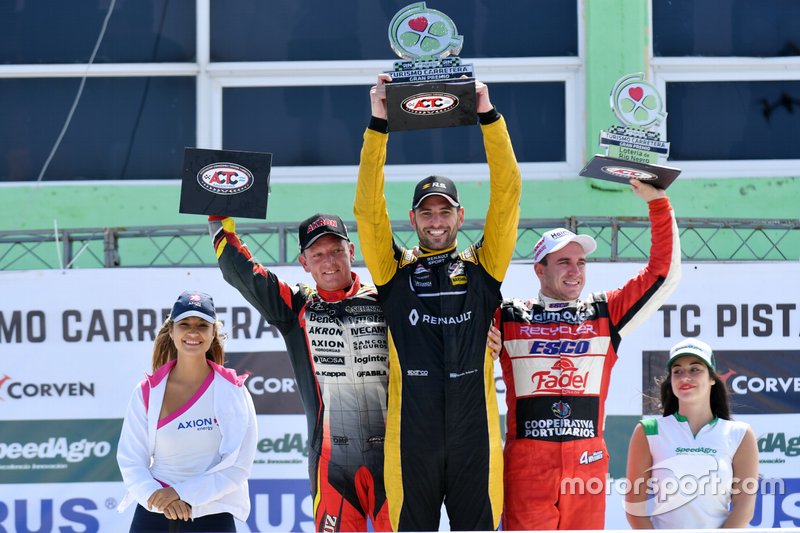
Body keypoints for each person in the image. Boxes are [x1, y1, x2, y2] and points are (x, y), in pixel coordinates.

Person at [208, 212, 503, 532]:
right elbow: (243, 273)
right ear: (304, 263)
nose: (329, 262)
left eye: (336, 251)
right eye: (317, 255)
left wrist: (484, 339)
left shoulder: (390, 300)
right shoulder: (296, 306)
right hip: (332, 463)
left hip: (394, 459)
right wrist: (219, 219)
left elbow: (448, 321)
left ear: (351, 252)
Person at [353, 74, 522, 531]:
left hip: (476, 439)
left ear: (460, 216)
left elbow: (507, 196)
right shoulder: (393, 271)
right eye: (426, 211)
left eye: (444, 210)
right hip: (412, 440)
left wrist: (487, 115)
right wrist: (378, 125)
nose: (435, 220)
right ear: (412, 218)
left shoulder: (484, 265)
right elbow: (368, 210)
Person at [495, 179, 682, 530]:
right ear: (540, 269)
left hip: (587, 457)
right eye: (563, 262)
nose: (575, 271)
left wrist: (658, 204)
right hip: (527, 461)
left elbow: (662, 276)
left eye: (581, 262)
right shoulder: (508, 316)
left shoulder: (603, 311)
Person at [117, 290, 258, 532]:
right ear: (172, 331)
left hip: (212, 515)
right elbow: (131, 460)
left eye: (202, 325)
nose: (193, 332)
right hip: (154, 512)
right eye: (185, 324)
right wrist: (158, 497)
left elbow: (238, 468)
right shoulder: (146, 392)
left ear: (213, 333)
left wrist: (181, 493)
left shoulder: (234, 392)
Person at [625, 338, 758, 528]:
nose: (684, 377)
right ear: (671, 381)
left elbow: (744, 508)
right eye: (677, 371)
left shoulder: (739, 433)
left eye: (695, 369)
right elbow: (634, 509)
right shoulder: (649, 430)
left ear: (712, 378)